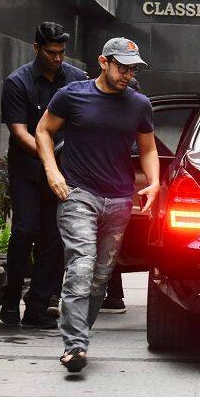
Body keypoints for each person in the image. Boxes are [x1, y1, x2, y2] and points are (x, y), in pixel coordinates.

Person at [35, 38, 159, 372]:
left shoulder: (139, 104)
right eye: (122, 67)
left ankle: (78, 337)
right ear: (103, 62)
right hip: (78, 193)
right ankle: (75, 345)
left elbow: (147, 149)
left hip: (119, 200)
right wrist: (52, 171)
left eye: (133, 69)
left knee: (100, 278)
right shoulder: (72, 95)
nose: (128, 75)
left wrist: (154, 182)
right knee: (80, 266)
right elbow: (44, 130)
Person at [0, 22, 87, 329]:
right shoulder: (17, 82)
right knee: (25, 229)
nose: (58, 59)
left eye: (62, 52)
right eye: (51, 52)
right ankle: (10, 298)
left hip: (63, 172)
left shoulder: (75, 79)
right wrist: (48, 155)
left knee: (54, 236)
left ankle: (37, 304)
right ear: (36, 48)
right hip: (27, 169)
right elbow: (20, 133)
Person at [99, 77, 143, 315]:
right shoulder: (137, 123)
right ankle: (114, 294)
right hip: (124, 194)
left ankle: (111, 294)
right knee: (110, 241)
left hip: (116, 192)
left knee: (106, 241)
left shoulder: (121, 124)